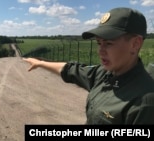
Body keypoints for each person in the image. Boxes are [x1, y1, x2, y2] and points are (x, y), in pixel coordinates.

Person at [23, 7, 154, 124]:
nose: (100, 50)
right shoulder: (103, 74)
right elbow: (70, 70)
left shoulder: (144, 103)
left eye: (108, 43)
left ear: (135, 44)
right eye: (98, 43)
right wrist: (40, 63)